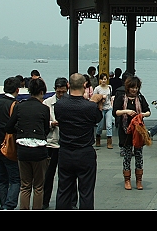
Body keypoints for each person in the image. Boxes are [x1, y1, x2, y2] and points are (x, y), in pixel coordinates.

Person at [54, 73, 104, 210]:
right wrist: (95, 102)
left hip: (65, 151)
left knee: (64, 190)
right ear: (85, 85)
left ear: (68, 85)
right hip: (84, 152)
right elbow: (97, 118)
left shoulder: (59, 105)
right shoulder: (89, 107)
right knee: (86, 192)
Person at [5, 77, 51, 210]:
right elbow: (46, 130)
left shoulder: (19, 106)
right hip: (39, 150)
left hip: (23, 149)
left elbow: (8, 127)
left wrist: (20, 130)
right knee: (38, 186)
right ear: (42, 92)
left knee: (25, 186)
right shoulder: (44, 109)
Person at [0, 76, 22, 210]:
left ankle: (3, 205)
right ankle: (9, 205)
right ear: (17, 90)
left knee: (2, 180)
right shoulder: (16, 105)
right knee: (15, 179)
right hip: (10, 147)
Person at [113, 75, 151, 190]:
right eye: (132, 87)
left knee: (139, 155)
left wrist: (142, 115)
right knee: (127, 155)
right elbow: (115, 112)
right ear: (128, 87)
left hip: (138, 131)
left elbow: (148, 111)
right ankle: (127, 180)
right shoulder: (121, 97)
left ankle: (139, 180)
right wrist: (126, 111)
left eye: (136, 87)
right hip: (126, 131)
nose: (134, 90)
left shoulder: (140, 98)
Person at [42, 77, 67, 210]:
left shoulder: (70, 103)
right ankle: (44, 201)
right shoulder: (47, 103)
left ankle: (66, 202)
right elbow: (42, 121)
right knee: (48, 175)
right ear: (55, 90)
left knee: (66, 176)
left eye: (63, 92)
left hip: (65, 144)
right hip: (51, 143)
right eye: (59, 92)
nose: (61, 94)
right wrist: (51, 123)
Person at [93, 73, 114, 149]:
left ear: (107, 80)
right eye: (102, 79)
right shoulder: (97, 89)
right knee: (100, 125)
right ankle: (98, 139)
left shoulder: (109, 87)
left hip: (109, 108)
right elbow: (94, 98)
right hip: (101, 108)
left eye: (105, 79)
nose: (103, 81)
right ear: (99, 80)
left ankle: (109, 142)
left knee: (109, 125)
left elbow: (111, 96)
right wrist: (101, 98)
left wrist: (112, 104)